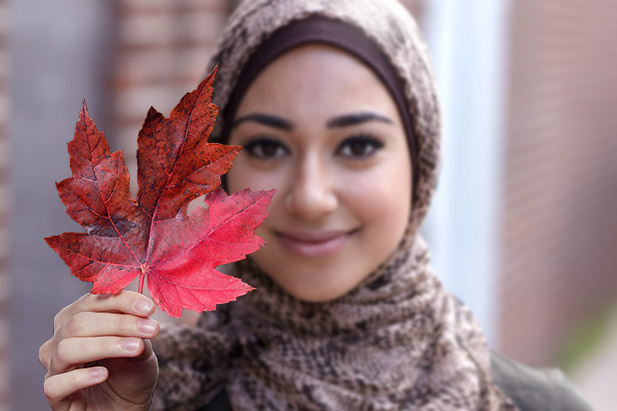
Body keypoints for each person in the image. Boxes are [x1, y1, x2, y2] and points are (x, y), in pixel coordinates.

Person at [39, 0, 594, 410]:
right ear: (224, 171)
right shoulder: (143, 388)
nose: (309, 197)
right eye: (267, 146)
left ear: (420, 162)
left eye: (357, 146)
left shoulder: (535, 405)